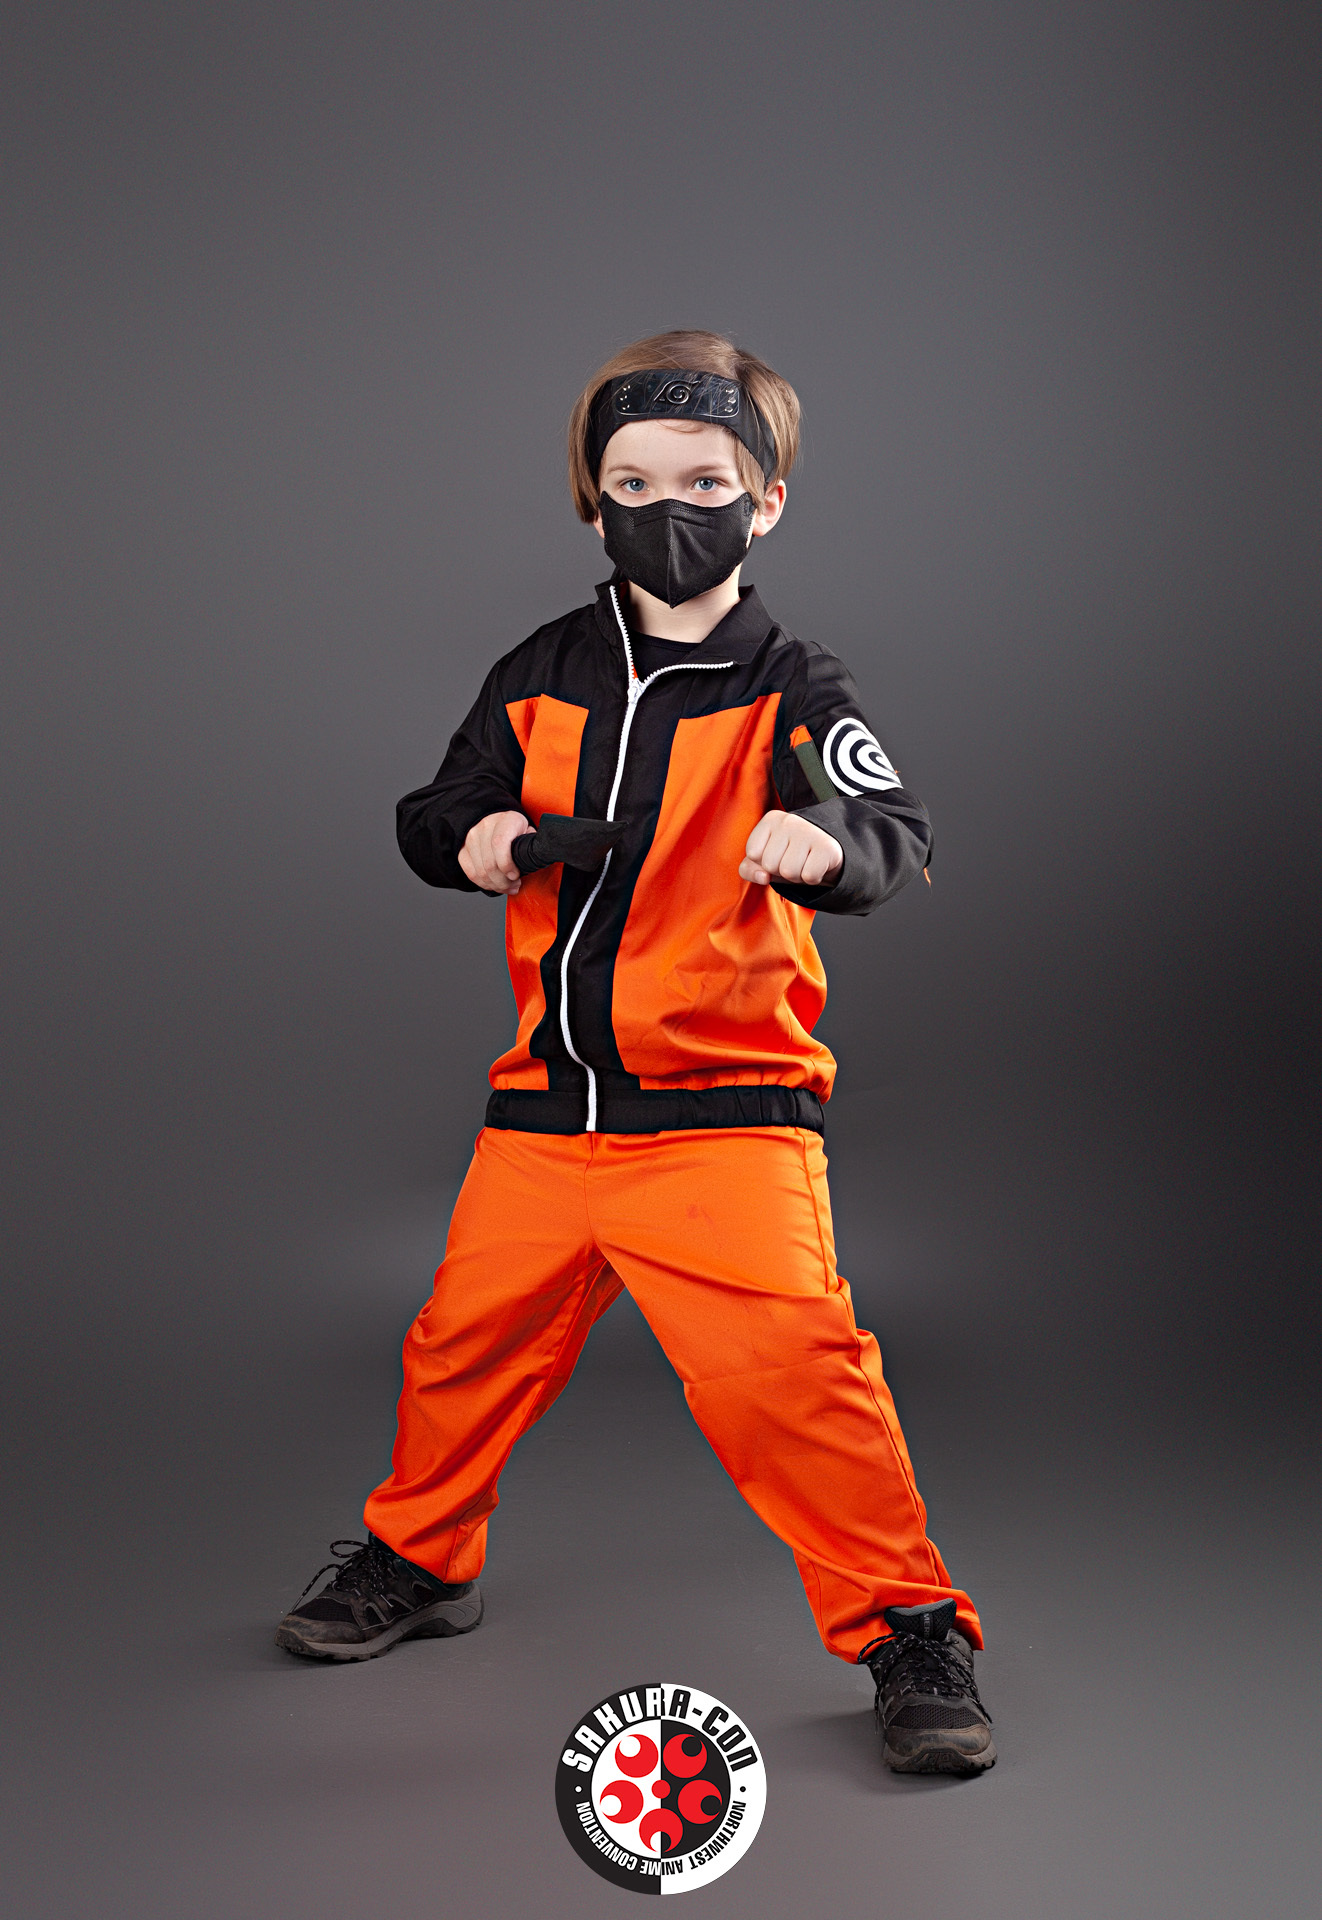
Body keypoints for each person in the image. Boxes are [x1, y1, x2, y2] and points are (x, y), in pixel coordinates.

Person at [275, 331, 995, 1775]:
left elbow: (890, 829)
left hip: (726, 1115)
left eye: (705, 482)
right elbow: (436, 808)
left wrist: (825, 844)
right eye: (633, 482)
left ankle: (909, 1625)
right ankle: (422, 1556)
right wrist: (474, 834)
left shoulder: (792, 683)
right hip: (548, 1110)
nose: (670, 509)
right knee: (461, 1349)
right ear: (590, 500)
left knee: (793, 1373)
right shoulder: (537, 670)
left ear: (765, 500)